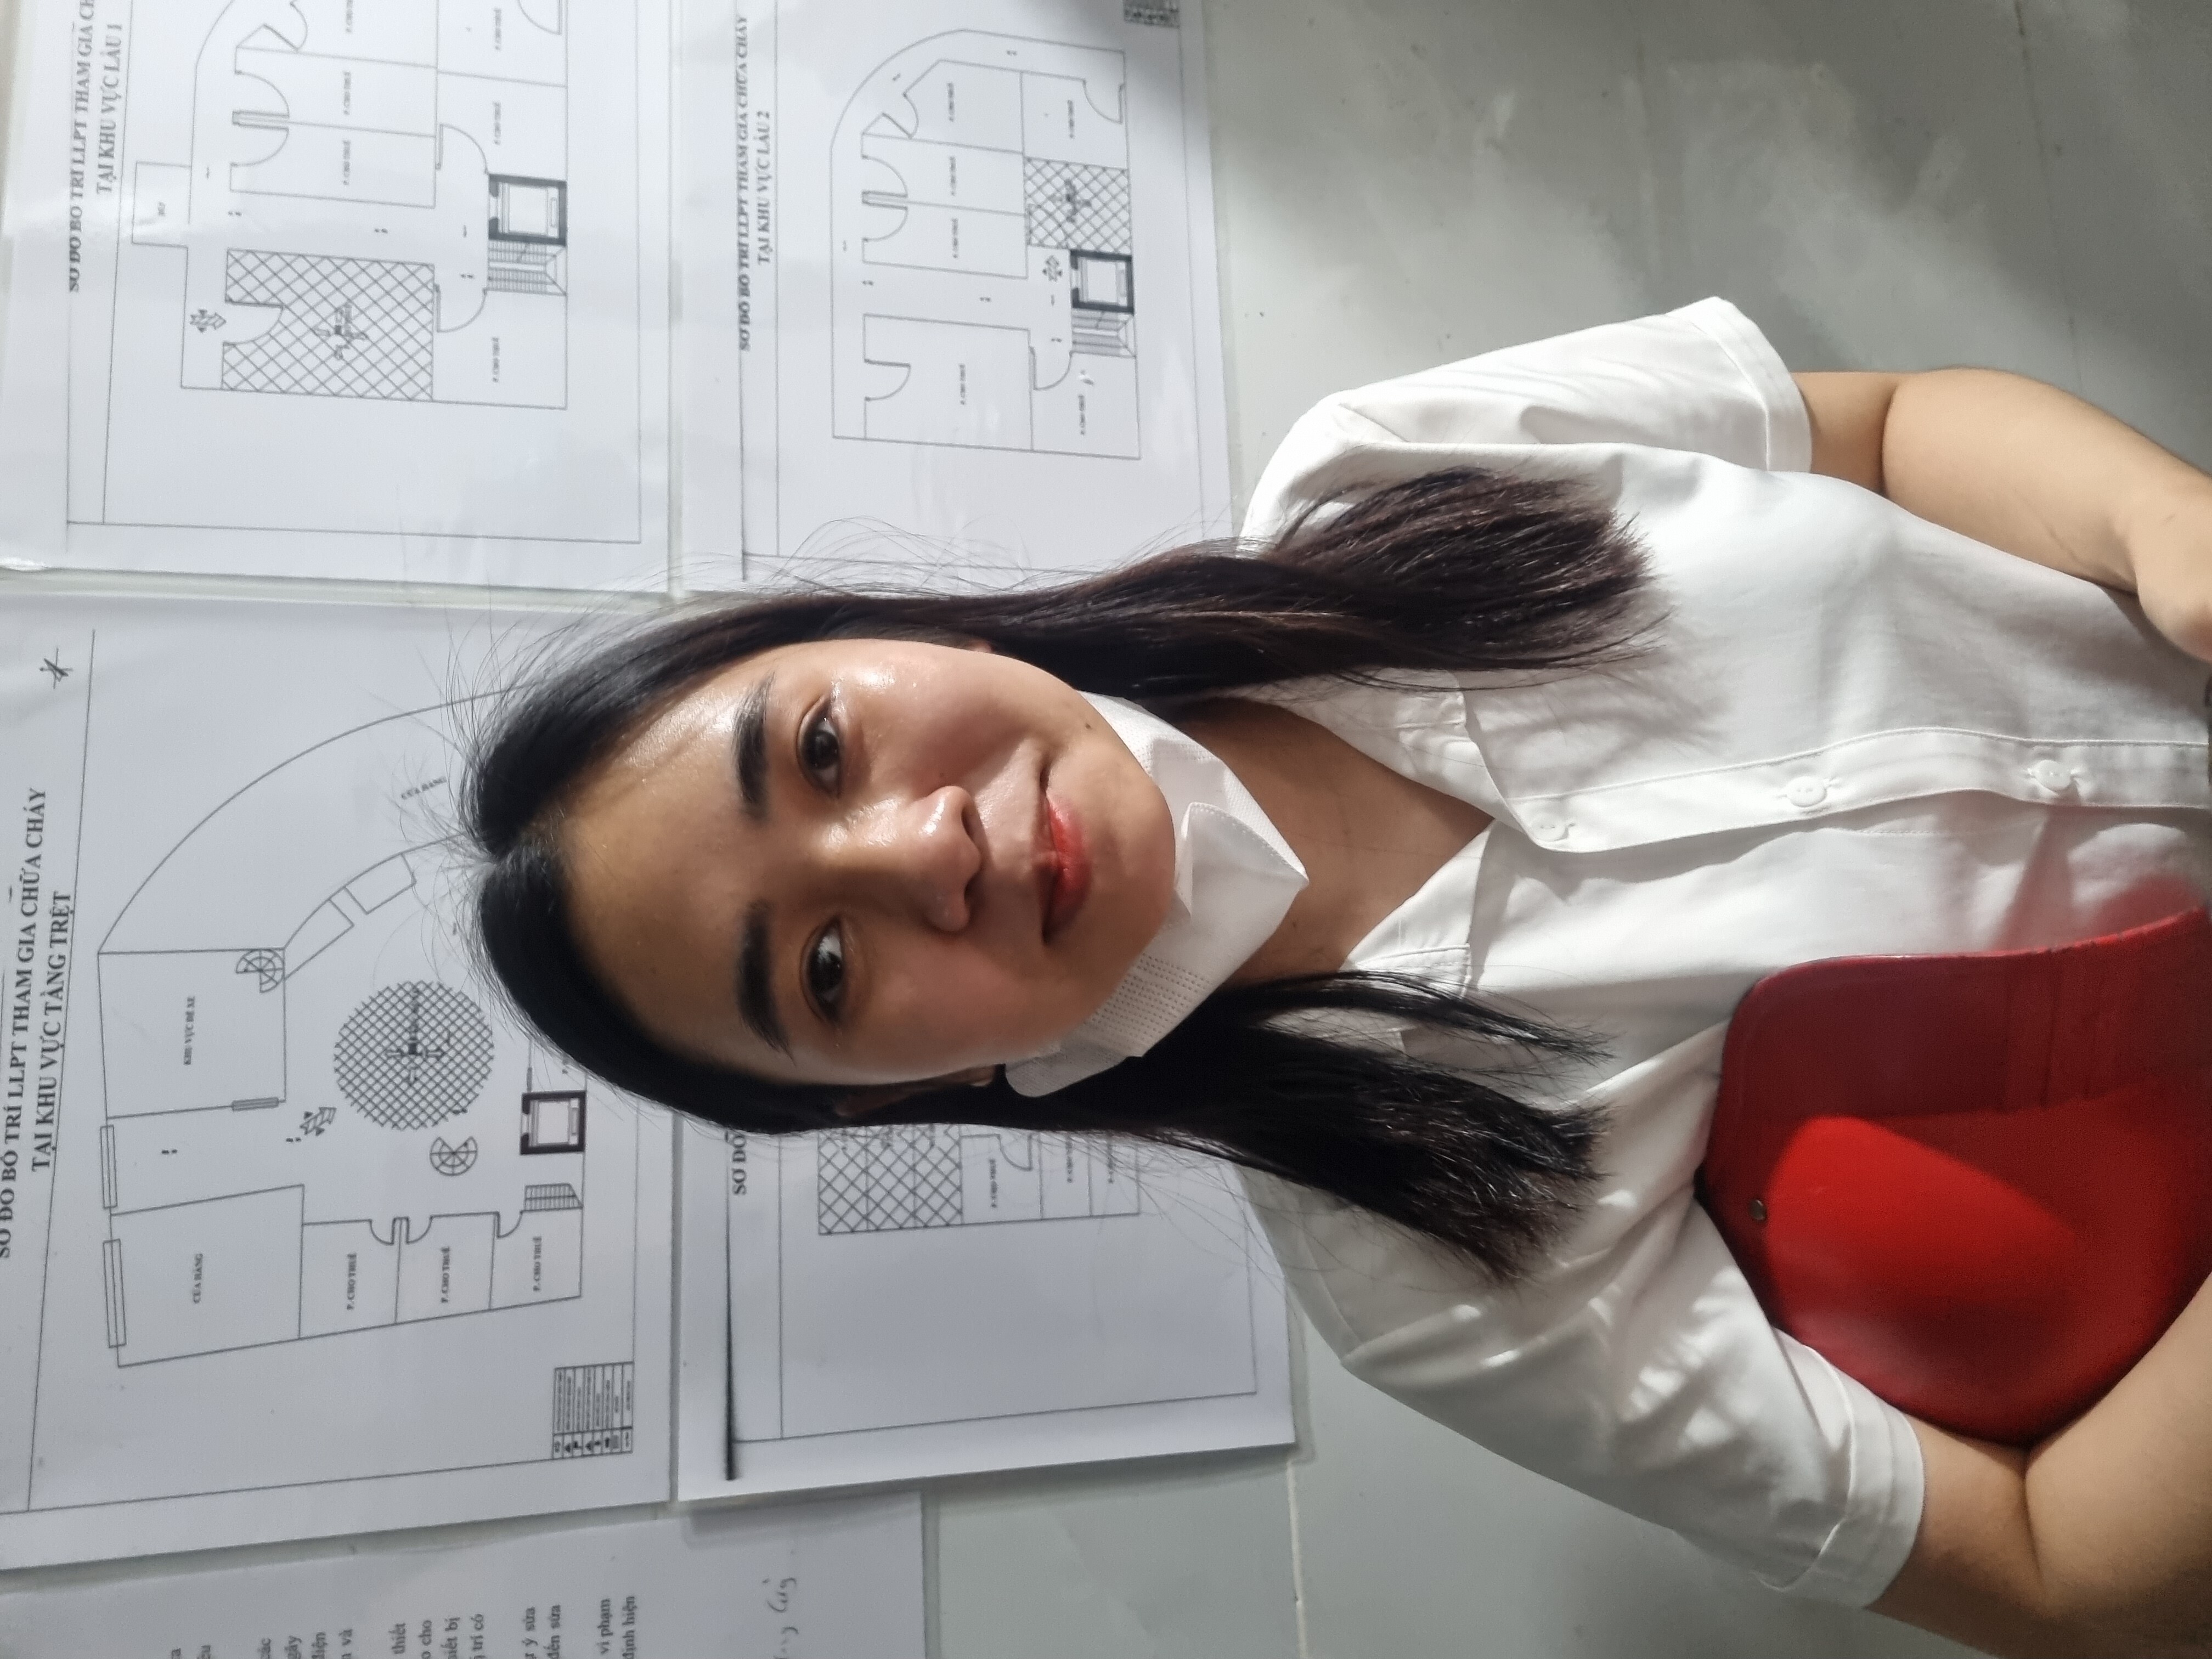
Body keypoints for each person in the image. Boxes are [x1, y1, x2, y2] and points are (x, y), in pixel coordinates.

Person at [466, 300, 2212, 1657]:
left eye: (823, 748)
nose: (927, 850)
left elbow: (1887, 427)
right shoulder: (1426, 1264)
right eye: (829, 967)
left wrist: (2167, 525)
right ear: (896, 1092)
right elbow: (2054, 1575)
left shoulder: (1378, 470)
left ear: (883, 633)